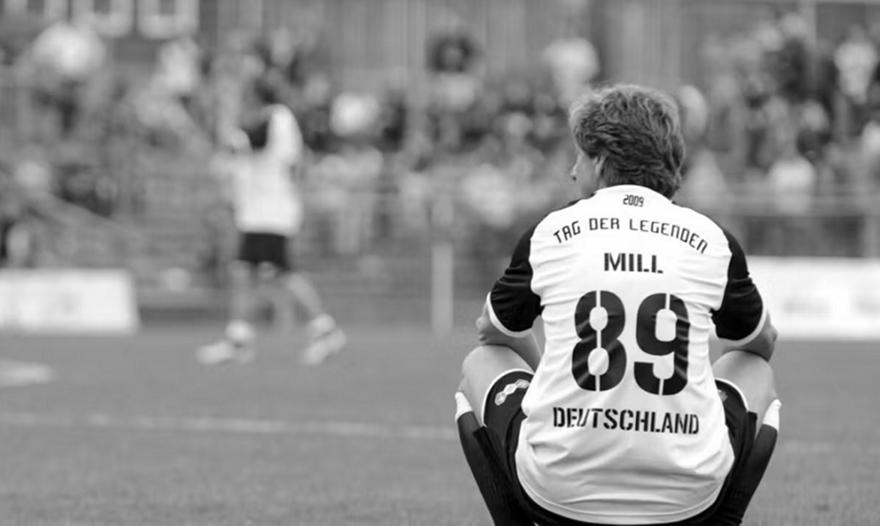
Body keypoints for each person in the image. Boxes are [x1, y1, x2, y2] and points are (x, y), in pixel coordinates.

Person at [456, 84, 781, 525]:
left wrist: (551, 378)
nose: (572, 171)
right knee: (755, 371)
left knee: (480, 362)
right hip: (688, 499)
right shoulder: (712, 239)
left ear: (601, 161)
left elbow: (493, 331)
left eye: (579, 156)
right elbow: (761, 342)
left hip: (556, 492)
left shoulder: (552, 232)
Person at [197, 79, 345, 366]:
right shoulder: (277, 121)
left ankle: (326, 330)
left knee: (281, 274)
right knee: (245, 272)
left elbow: (246, 141)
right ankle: (239, 339)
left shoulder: (276, 117)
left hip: (269, 213)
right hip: (261, 213)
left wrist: (225, 122)